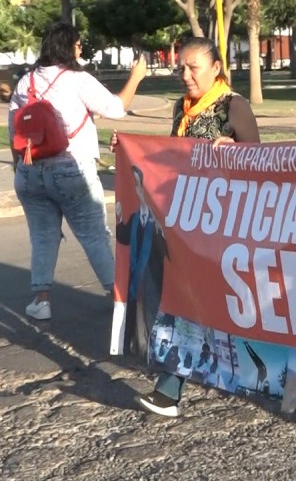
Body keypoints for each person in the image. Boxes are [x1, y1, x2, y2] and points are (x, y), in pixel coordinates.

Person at [113, 36, 259, 417]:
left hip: (225, 226)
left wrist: (237, 152)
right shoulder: (183, 107)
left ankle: (235, 372)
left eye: (193, 67)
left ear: (216, 68)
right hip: (186, 224)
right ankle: (170, 386)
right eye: (181, 67)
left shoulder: (234, 106)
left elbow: (263, 163)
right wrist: (129, 146)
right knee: (183, 302)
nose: (185, 74)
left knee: (214, 305)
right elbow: (170, 154)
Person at [8, 21, 147, 321]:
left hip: (30, 172)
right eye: (78, 43)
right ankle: (120, 301)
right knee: (94, 235)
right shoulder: (77, 79)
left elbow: (13, 131)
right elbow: (116, 109)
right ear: (67, 46)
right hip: (71, 169)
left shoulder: (25, 82)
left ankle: (41, 301)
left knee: (43, 236)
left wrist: (19, 168)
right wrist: (135, 78)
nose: (80, 47)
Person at [115, 165, 169, 354]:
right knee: (138, 310)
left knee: (153, 311)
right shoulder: (136, 217)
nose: (139, 191)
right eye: (136, 186)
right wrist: (120, 218)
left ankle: (155, 349)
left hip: (154, 275)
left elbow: (170, 253)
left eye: (142, 186)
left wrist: (162, 234)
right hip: (137, 274)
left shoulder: (160, 221)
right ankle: (140, 345)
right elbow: (123, 237)